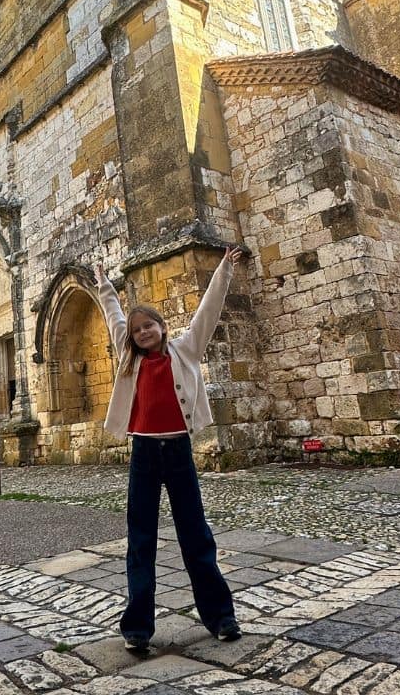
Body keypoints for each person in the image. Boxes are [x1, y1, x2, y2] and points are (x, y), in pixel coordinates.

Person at [94, 246, 243, 653]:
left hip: (178, 453)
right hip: (143, 455)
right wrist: (104, 284)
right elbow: (113, 315)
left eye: (149, 326)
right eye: (137, 329)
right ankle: (138, 627)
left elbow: (208, 312)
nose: (142, 332)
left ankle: (220, 616)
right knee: (140, 539)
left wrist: (224, 270)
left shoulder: (186, 349)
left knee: (195, 534)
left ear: (161, 326)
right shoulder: (128, 358)